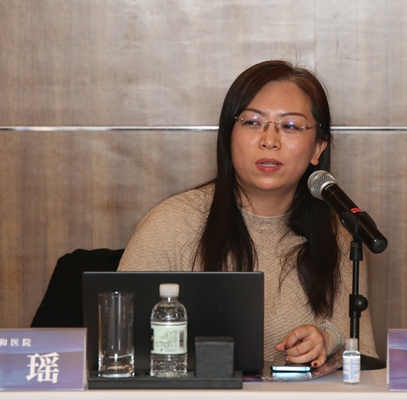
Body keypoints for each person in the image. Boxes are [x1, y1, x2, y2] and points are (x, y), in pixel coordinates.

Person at [118, 60, 378, 367]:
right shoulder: (171, 223)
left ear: (317, 148)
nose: (269, 140)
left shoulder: (340, 231)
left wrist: (327, 340)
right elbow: (119, 342)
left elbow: (363, 359)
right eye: (253, 122)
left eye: (290, 126)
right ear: (229, 136)